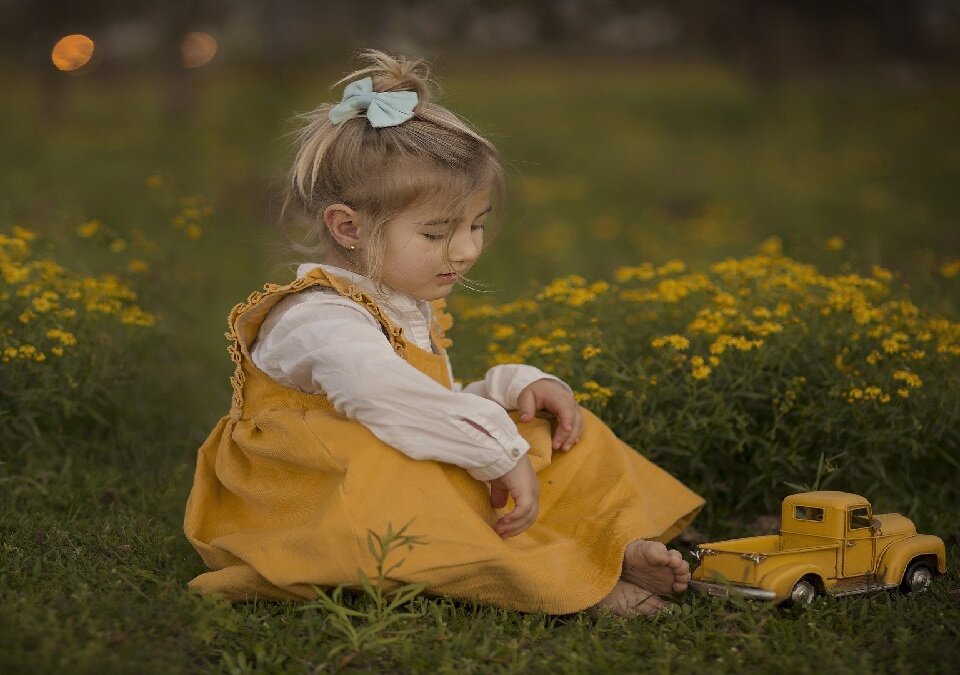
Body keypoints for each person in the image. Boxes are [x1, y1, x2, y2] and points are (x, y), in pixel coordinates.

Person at [183, 50, 703, 616]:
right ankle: (574, 586)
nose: (467, 249)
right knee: (406, 473)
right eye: (436, 234)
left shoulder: (399, 303)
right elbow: (385, 399)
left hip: (391, 456)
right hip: (309, 502)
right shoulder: (318, 319)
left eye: (476, 225)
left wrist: (507, 391)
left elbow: (430, 404)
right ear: (349, 227)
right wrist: (497, 450)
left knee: (555, 432)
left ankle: (613, 545)